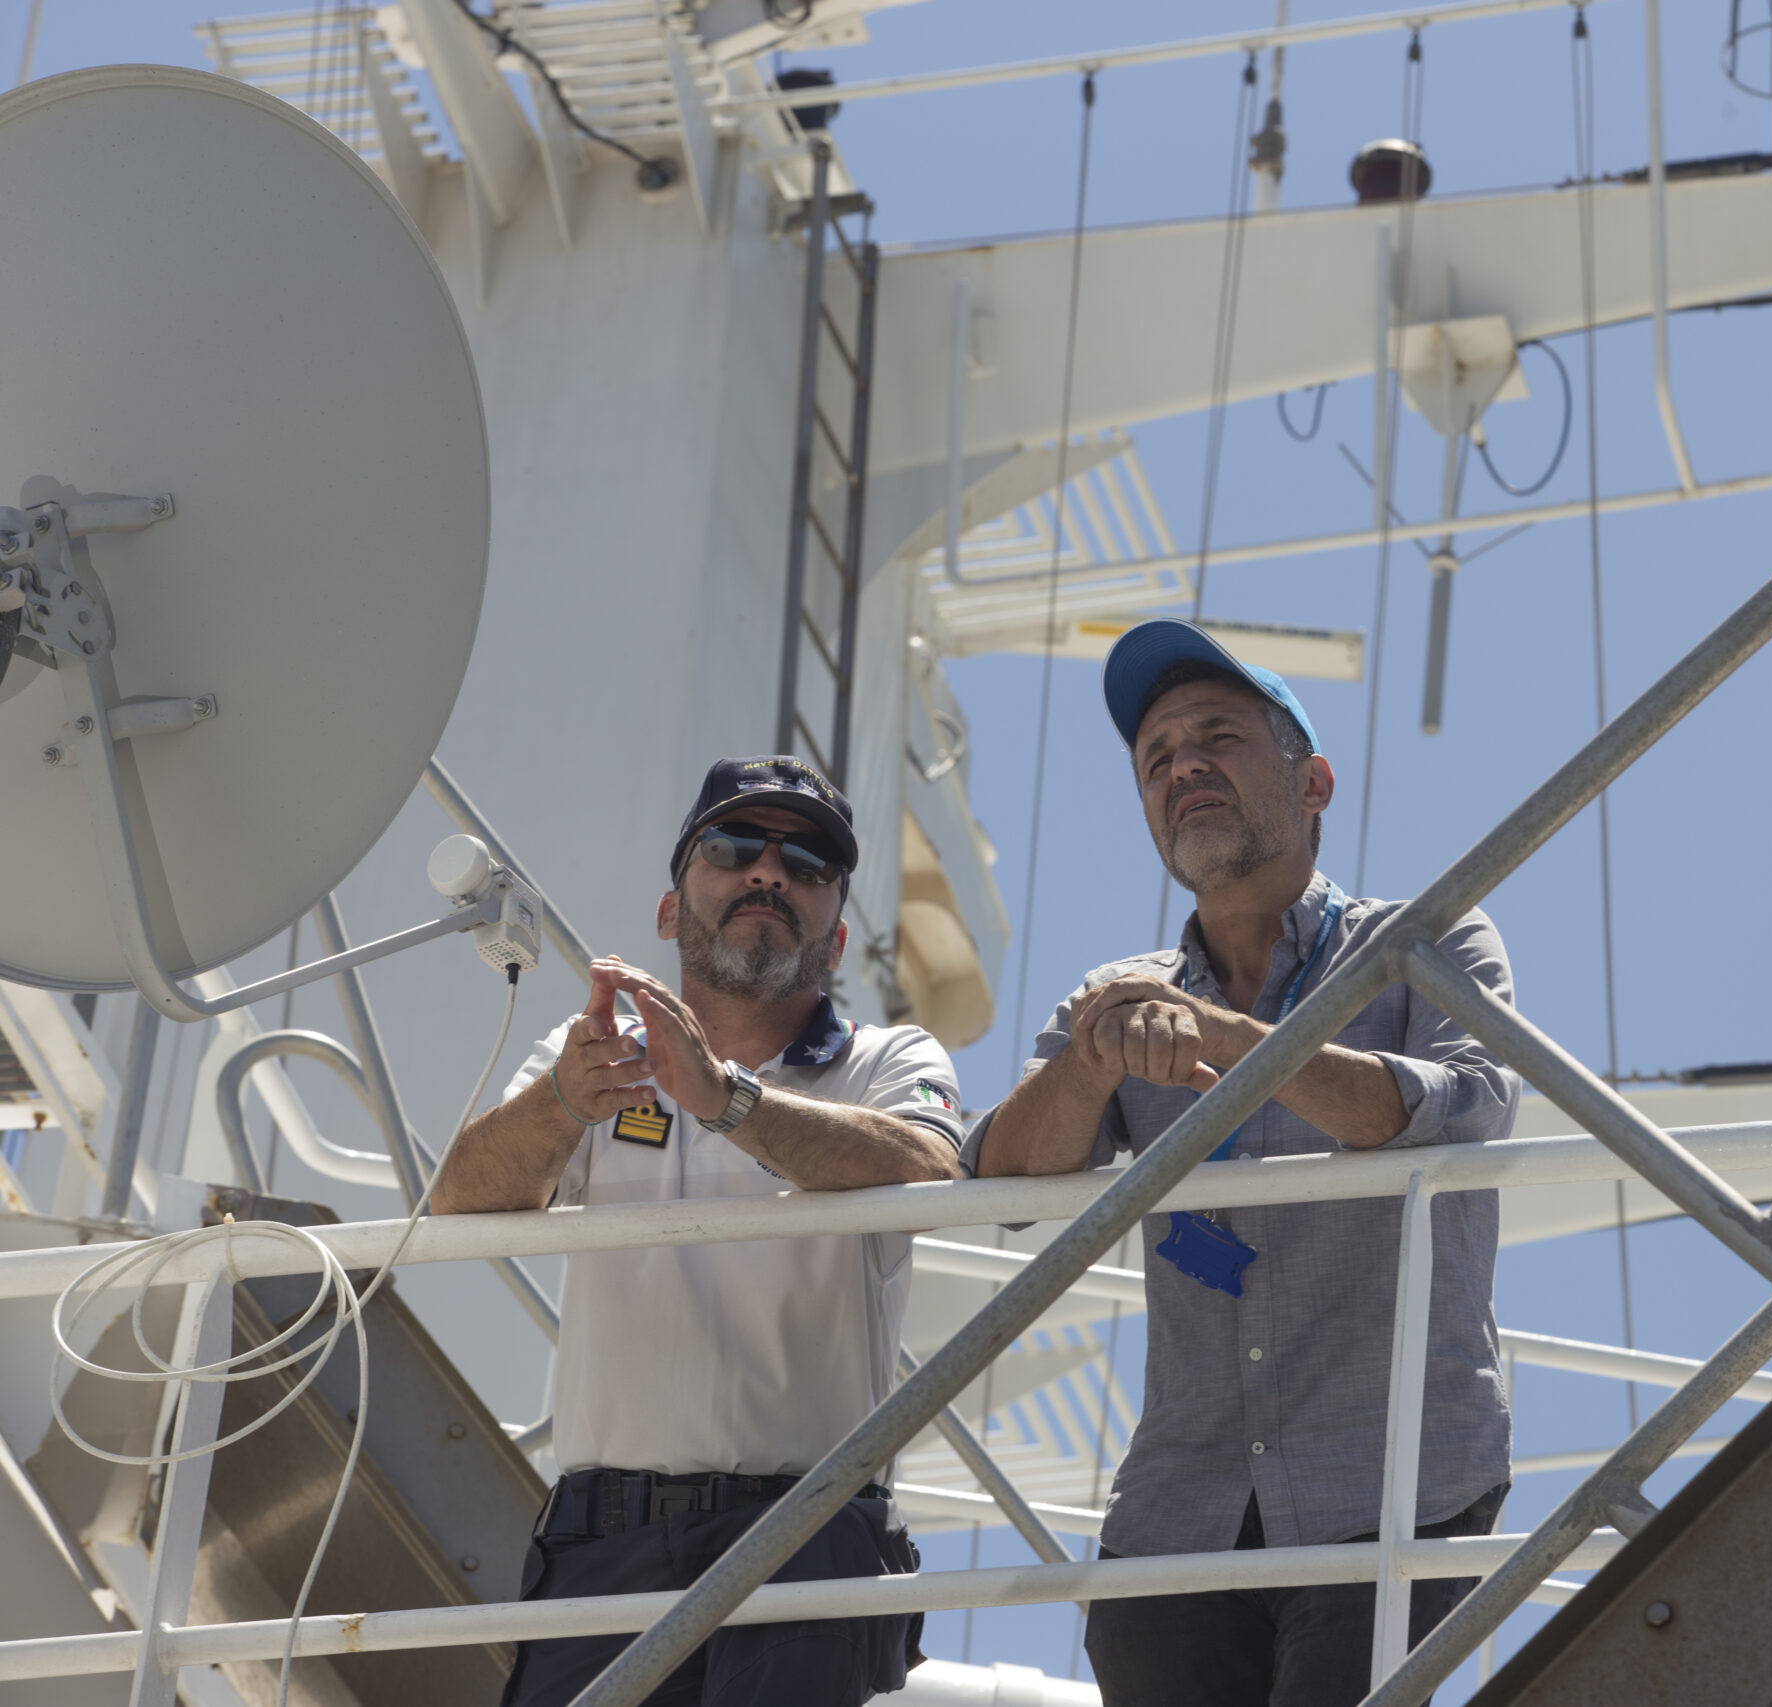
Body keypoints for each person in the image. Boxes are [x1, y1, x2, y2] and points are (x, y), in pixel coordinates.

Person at [966, 621, 1520, 1707]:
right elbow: (1003, 1184)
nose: (1183, 767)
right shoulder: (1115, 993)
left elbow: (1458, 1111)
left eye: (1216, 737)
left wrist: (1217, 1038)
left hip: (1395, 1478)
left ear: (1311, 782)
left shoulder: (1426, 943)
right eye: (1156, 758)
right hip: (1182, 1504)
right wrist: (1091, 1063)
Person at [436, 755, 965, 1707]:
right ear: (671, 912)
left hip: (809, 1536)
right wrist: (563, 1100)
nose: (768, 872)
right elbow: (462, 1200)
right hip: (603, 1544)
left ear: (835, 938)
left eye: (805, 865)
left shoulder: (893, 1058)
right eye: (732, 848)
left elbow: (928, 1165)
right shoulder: (590, 1056)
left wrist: (726, 1101)